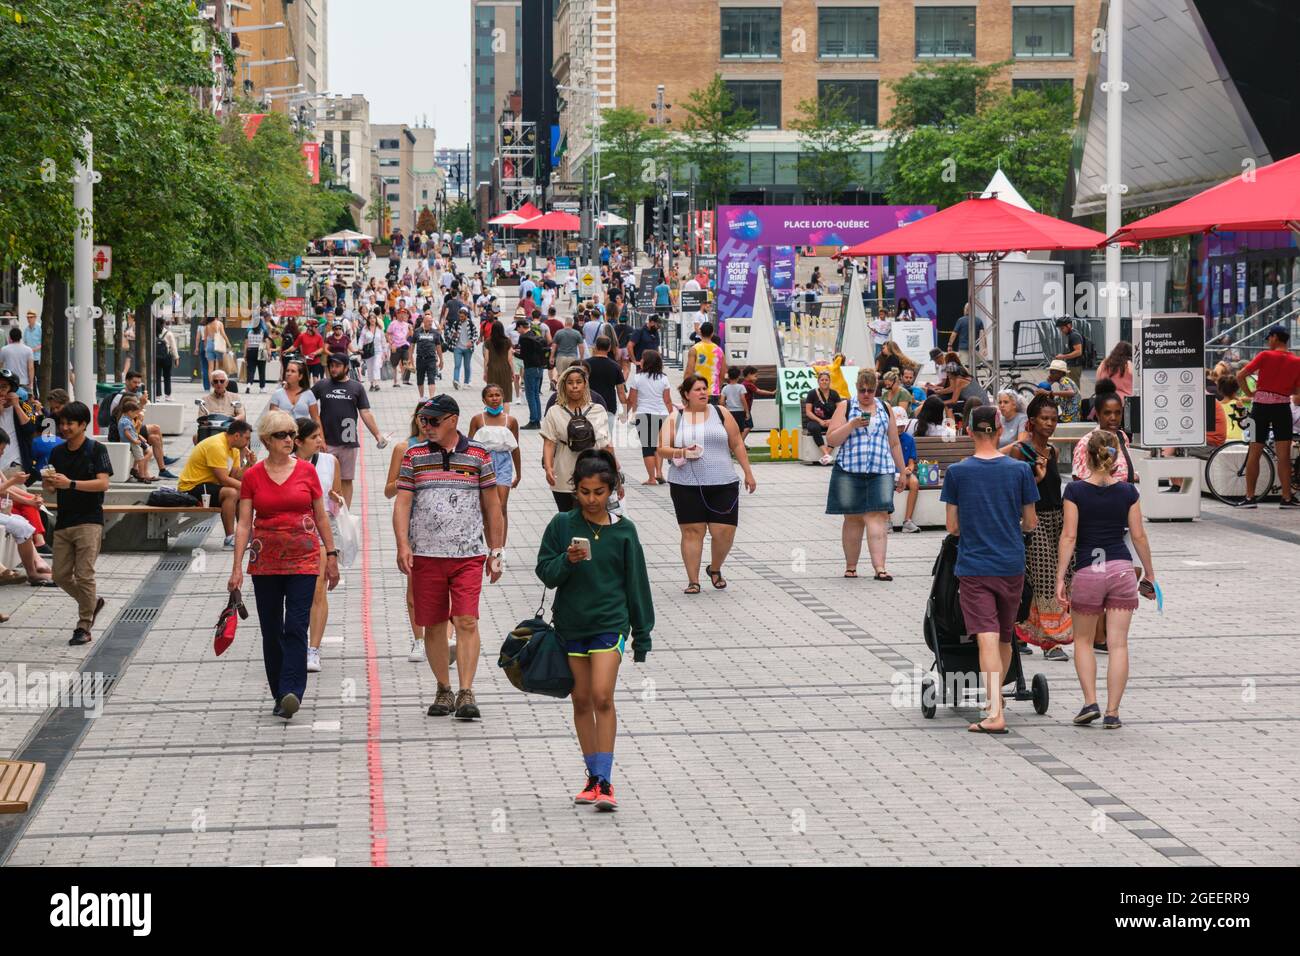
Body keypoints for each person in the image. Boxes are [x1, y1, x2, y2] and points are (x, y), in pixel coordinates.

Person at [536, 448, 653, 812]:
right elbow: (545, 573)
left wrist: (642, 634)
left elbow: (637, 584)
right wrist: (565, 562)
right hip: (571, 625)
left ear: (612, 489)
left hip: (610, 624)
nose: (591, 499)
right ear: (575, 490)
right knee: (582, 700)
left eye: (599, 492)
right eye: (584, 492)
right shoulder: (561, 526)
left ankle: (605, 779)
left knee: (603, 695)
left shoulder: (625, 531)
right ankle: (591, 776)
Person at [392, 395, 504, 721]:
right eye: (423, 421)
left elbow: (492, 506)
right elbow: (401, 504)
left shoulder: (478, 455)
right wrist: (402, 544)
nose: (426, 426)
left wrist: (496, 550)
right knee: (435, 624)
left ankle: (467, 690)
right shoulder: (413, 456)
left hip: (468, 554)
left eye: (434, 421)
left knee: (466, 620)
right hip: (426, 554)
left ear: (453, 420)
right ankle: (444, 687)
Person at [228, 410, 339, 720]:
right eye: (282, 435)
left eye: (292, 434)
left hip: (304, 559)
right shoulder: (252, 476)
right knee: (271, 628)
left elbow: (320, 516)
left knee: (296, 625)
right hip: (264, 562)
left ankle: (292, 690)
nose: (290, 440)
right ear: (266, 440)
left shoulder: (306, 472)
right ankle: (279, 692)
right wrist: (236, 568)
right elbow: (243, 525)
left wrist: (331, 555)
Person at [940, 405, 1039, 734]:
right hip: (1011, 564)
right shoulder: (1019, 471)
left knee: (986, 637)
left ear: (968, 431)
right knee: (1005, 637)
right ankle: (996, 700)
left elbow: (952, 526)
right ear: (999, 431)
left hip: (975, 565)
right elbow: (1031, 522)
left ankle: (995, 712)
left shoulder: (958, 473)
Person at [1058, 430, 1157, 729]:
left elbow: (1069, 536)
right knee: (1118, 645)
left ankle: (1090, 703)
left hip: (1089, 571)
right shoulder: (1128, 492)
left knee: (1084, 642)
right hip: (1121, 569)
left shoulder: (1075, 492)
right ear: (1115, 458)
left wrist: (1061, 577)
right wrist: (1150, 572)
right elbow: (1138, 535)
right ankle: (1113, 712)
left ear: (1086, 457)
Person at [658, 373, 757, 594]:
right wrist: (683, 451)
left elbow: (737, 443)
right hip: (686, 484)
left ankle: (715, 567)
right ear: (686, 394)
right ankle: (693, 580)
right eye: (697, 389)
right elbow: (662, 448)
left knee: (725, 532)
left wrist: (748, 472)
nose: (703, 393)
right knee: (693, 532)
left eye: (705, 388)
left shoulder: (720, 413)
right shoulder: (676, 418)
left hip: (723, 481)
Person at [1005, 394, 1072, 661]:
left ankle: (1018, 630)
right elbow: (1016, 489)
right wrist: (1036, 476)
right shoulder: (1022, 449)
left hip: (1058, 520)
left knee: (1061, 578)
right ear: (1032, 421)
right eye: (1044, 418)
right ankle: (1050, 641)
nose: (1050, 423)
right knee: (1044, 579)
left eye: (1054, 419)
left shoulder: (1053, 451)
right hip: (1034, 520)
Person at [823, 369, 908, 579]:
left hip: (880, 469)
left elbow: (895, 442)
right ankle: (851, 567)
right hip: (850, 470)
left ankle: (880, 568)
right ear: (857, 389)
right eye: (862, 390)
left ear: (876, 389)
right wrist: (851, 424)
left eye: (871, 390)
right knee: (852, 518)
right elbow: (832, 440)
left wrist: (902, 471)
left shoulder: (884, 407)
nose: (867, 394)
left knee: (877, 516)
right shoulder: (846, 406)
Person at [43, 402, 112, 646]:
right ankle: (92, 602)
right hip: (63, 521)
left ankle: (83, 625)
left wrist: (70, 483)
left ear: (83, 425)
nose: (64, 428)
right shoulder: (57, 453)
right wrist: (50, 483)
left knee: (84, 575)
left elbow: (103, 484)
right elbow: (50, 488)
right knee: (60, 576)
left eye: (69, 423)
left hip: (89, 520)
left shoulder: (96, 449)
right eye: (62, 423)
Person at [294, 419, 344, 674]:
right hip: (293, 531)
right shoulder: (286, 464)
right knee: (294, 593)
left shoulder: (329, 462)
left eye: (320, 436)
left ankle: (313, 649)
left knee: (318, 589)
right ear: (298, 441)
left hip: (321, 529)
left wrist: (337, 500)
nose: (320, 442)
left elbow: (336, 500)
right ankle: (295, 642)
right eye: (314, 437)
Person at [1236, 324, 1300, 508]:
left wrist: (1250, 393)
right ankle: (1286, 498)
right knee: (1284, 456)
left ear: (1274, 337)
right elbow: (1297, 393)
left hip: (1260, 408)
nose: (1268, 342)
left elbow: (1241, 375)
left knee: (1254, 452)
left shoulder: (1264, 356)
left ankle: (1250, 497)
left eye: (1269, 338)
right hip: (1282, 409)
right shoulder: (1296, 361)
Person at [312, 352, 387, 509]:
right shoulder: (322, 385)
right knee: (324, 478)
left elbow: (365, 412)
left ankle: (344, 512)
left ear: (346, 368)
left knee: (346, 479)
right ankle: (323, 511)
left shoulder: (356, 387)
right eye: (332, 365)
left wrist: (377, 435)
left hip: (348, 442)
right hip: (326, 442)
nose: (334, 369)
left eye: (338, 366)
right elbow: (306, 402)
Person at [542, 366, 617, 512]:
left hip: (594, 473)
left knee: (592, 517)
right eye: (570, 382)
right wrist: (549, 467)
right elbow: (549, 443)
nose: (574, 386)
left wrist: (614, 472)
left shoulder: (598, 410)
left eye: (578, 382)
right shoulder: (554, 411)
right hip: (563, 472)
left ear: (585, 384)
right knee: (567, 516)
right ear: (564, 385)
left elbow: (606, 444)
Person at [178, 420, 253, 547]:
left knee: (240, 493)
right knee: (231, 493)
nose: (248, 443)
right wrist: (248, 488)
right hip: (191, 487)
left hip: (209, 486)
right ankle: (230, 538)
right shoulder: (217, 445)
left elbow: (235, 476)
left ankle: (244, 534)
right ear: (236, 436)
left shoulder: (233, 449)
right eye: (247, 438)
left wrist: (248, 464)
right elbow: (224, 479)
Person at [468, 384, 521, 545]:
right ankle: (492, 545)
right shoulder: (478, 419)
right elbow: (469, 447)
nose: (494, 399)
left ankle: (501, 549)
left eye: (497, 395)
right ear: (484, 399)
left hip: (503, 463)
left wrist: (519, 474)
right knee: (485, 507)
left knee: (501, 505)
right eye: (490, 396)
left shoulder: (510, 421)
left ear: (502, 397)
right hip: (483, 463)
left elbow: (515, 448)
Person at [626, 349, 673, 486]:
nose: (640, 361)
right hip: (662, 414)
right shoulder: (664, 378)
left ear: (646, 362)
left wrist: (625, 413)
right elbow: (668, 400)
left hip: (644, 414)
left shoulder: (637, 378)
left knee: (648, 447)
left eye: (642, 359)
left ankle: (651, 478)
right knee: (659, 446)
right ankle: (659, 472)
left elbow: (631, 399)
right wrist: (671, 415)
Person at [891, 407, 922, 533]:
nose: (900, 428)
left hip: (903, 472)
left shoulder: (909, 439)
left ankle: (907, 520)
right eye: (897, 426)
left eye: (902, 426)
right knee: (885, 481)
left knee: (914, 483)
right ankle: (887, 521)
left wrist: (909, 469)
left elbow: (911, 461)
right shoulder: (886, 437)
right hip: (889, 471)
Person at [802, 370, 841, 466]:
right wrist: (820, 421)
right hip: (816, 420)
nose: (824, 382)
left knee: (838, 428)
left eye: (826, 380)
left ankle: (826, 455)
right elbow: (808, 412)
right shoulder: (812, 393)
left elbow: (841, 410)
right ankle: (826, 454)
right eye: (822, 380)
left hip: (831, 421)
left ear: (830, 381)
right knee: (814, 428)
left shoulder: (834, 394)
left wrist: (832, 420)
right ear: (818, 381)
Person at [268, 358, 321, 426]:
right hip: (283, 433)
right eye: (287, 371)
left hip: (303, 434)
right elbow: (271, 419)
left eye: (293, 371)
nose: (289, 374)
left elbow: (316, 418)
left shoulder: (308, 394)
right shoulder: (278, 394)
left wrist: (321, 436)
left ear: (300, 376)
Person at [582, 335, 627, 415]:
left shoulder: (585, 365)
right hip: (609, 406)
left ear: (595, 347)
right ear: (609, 348)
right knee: (608, 427)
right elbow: (621, 393)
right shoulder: (615, 366)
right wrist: (625, 412)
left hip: (588, 405)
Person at [684, 321, 726, 405]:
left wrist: (685, 391)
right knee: (712, 417)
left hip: (697, 391)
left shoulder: (694, 349)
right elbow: (722, 374)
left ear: (700, 332)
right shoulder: (719, 351)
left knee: (699, 417)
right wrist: (717, 388)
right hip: (714, 392)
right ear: (712, 334)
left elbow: (689, 372)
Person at [115, 399, 154, 482]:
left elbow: (131, 432)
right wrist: (134, 441)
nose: (136, 415)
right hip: (132, 442)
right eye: (135, 413)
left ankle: (134, 469)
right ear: (129, 412)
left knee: (139, 456)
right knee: (140, 458)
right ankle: (142, 476)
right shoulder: (126, 421)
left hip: (132, 441)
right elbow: (127, 433)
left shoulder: (125, 419)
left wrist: (138, 437)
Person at [411, 310, 445, 400]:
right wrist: (410, 358)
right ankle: (422, 397)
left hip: (431, 359)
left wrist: (441, 360)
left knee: (431, 378)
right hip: (420, 358)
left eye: (431, 321)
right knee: (420, 379)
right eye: (428, 321)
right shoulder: (417, 331)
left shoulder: (435, 333)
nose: (430, 323)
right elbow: (412, 345)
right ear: (424, 322)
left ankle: (431, 398)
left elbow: (438, 347)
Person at [482, 320, 515, 405]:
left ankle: (493, 416)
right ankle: (506, 417)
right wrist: (513, 372)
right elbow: (510, 359)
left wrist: (485, 372)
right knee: (506, 397)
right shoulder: (507, 341)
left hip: (492, 370)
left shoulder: (488, 342)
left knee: (491, 394)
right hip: (505, 370)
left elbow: (486, 359)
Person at [948, 303, 986, 373]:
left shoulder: (960, 320)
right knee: (974, 369)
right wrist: (984, 348)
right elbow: (983, 335)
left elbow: (954, 334)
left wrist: (950, 345)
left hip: (963, 349)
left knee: (964, 368)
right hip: (975, 349)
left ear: (966, 310)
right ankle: (974, 382)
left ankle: (967, 382)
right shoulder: (979, 321)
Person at [551, 314, 586, 384]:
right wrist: (581, 358)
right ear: (572, 324)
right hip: (572, 358)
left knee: (560, 376)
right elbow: (581, 347)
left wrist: (551, 357)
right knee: (571, 376)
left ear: (565, 323)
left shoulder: (559, 333)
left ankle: (560, 391)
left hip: (560, 357)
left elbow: (554, 346)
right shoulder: (577, 333)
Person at [1043, 359, 1080, 424]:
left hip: (1070, 418)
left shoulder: (1063, 380)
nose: (1050, 375)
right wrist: (1049, 383)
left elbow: (1071, 393)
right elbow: (1059, 400)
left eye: (1052, 373)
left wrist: (1050, 393)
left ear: (1060, 373)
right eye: (1050, 372)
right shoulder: (1064, 381)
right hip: (1070, 416)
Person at [244, 313, 270, 392]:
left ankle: (249, 384)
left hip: (251, 350)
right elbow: (267, 341)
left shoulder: (248, 330)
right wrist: (268, 352)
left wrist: (245, 354)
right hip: (261, 350)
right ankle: (262, 388)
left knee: (250, 369)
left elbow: (246, 343)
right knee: (262, 370)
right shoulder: (263, 330)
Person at [1054, 317, 1085, 384]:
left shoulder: (1074, 336)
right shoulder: (1070, 334)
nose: (1061, 331)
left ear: (1069, 326)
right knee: (1068, 385)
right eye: (1060, 329)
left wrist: (1063, 356)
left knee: (1074, 387)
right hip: (1071, 365)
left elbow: (1078, 352)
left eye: (1062, 328)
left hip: (1075, 366)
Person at [721, 366, 750, 436]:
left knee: (730, 430)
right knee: (740, 430)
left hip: (729, 412)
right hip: (740, 411)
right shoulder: (741, 387)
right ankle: (738, 445)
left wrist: (725, 408)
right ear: (738, 376)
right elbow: (743, 399)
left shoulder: (725, 388)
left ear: (728, 376)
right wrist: (747, 411)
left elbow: (721, 401)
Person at [155, 317, 179, 401]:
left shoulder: (153, 333)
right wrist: (176, 358)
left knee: (157, 376)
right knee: (167, 376)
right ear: (163, 324)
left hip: (156, 357)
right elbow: (173, 347)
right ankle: (168, 395)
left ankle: (157, 396)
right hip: (166, 358)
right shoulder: (168, 333)